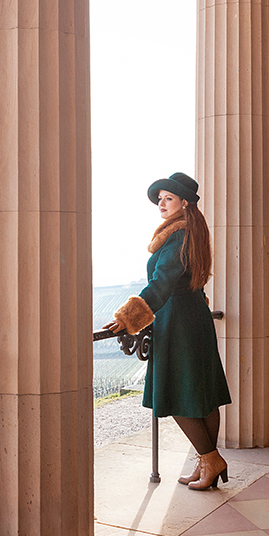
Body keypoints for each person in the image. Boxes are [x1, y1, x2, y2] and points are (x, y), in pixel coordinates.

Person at [104, 173, 232, 490]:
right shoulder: (194, 233)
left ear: (184, 203)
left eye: (168, 198)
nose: (161, 203)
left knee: (176, 393)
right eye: (160, 198)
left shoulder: (177, 237)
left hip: (178, 320)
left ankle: (211, 458)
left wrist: (128, 316)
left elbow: (160, 284)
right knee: (202, 394)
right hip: (195, 316)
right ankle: (207, 462)